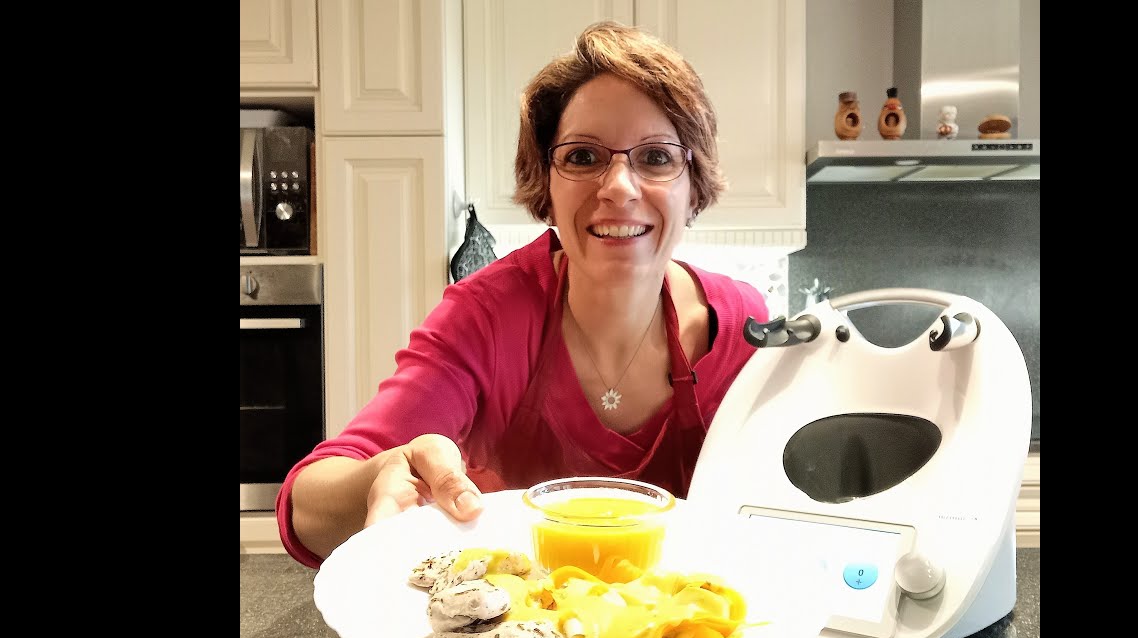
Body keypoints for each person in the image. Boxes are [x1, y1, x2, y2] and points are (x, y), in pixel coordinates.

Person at [276, 21, 769, 568]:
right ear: (546, 185)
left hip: (689, 621)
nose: (618, 187)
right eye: (582, 157)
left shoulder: (745, 329)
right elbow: (306, 507)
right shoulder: (487, 317)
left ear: (693, 187)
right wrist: (378, 476)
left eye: (656, 157)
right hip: (511, 617)